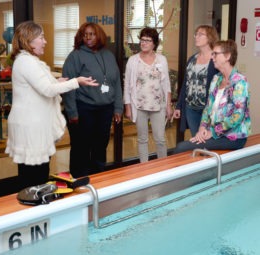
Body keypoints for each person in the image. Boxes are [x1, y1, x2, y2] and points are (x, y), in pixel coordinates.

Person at [5, 21, 98, 190]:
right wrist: (76, 81)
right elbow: (47, 90)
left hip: (34, 126)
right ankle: (33, 211)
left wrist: (58, 81)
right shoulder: (26, 62)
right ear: (29, 40)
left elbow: (38, 85)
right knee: (34, 177)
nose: (45, 41)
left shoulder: (29, 61)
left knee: (37, 173)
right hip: (31, 127)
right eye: (41, 37)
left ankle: (36, 210)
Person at [62, 22, 123, 178]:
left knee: (100, 147)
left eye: (92, 34)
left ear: (99, 36)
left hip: (105, 110)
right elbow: (68, 86)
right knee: (81, 148)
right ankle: (79, 181)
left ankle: (98, 179)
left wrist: (118, 108)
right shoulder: (75, 56)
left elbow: (116, 83)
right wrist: (72, 112)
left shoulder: (108, 55)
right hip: (84, 109)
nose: (88, 37)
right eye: (85, 34)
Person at [174, 39, 251, 153]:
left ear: (227, 56)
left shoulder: (240, 81)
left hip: (233, 137)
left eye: (215, 54)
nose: (212, 57)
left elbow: (237, 116)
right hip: (215, 133)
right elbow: (207, 108)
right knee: (188, 146)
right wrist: (202, 128)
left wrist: (212, 132)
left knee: (182, 148)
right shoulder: (216, 79)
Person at [124, 27, 172, 163]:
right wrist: (127, 107)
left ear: (154, 43)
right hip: (139, 105)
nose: (143, 43)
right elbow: (127, 84)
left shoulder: (161, 60)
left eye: (147, 40)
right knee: (142, 139)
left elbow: (166, 84)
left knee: (160, 139)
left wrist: (169, 105)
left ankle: (162, 166)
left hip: (158, 105)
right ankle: (143, 168)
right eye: (142, 40)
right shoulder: (133, 60)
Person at [172, 25, 219, 136]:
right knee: (196, 139)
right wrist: (179, 106)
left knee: (207, 140)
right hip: (190, 108)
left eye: (200, 34)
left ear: (210, 37)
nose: (196, 37)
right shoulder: (192, 59)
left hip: (207, 109)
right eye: (196, 34)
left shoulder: (216, 59)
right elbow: (185, 84)